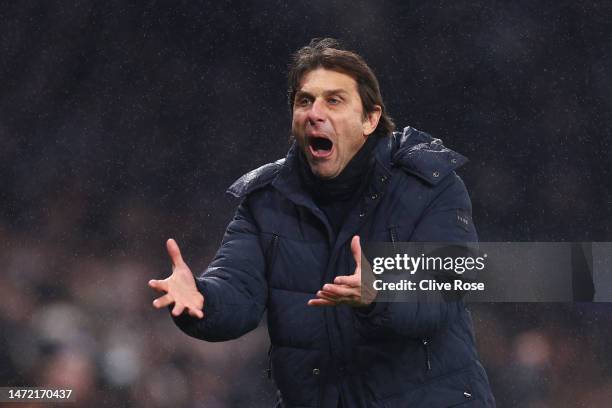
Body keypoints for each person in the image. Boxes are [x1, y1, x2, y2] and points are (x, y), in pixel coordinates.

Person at [148, 38, 496, 407]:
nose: (315, 112)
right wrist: (201, 299)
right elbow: (237, 290)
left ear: (370, 119)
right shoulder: (266, 201)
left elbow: (447, 286)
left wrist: (381, 292)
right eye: (304, 101)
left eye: (334, 100)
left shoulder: (429, 186)